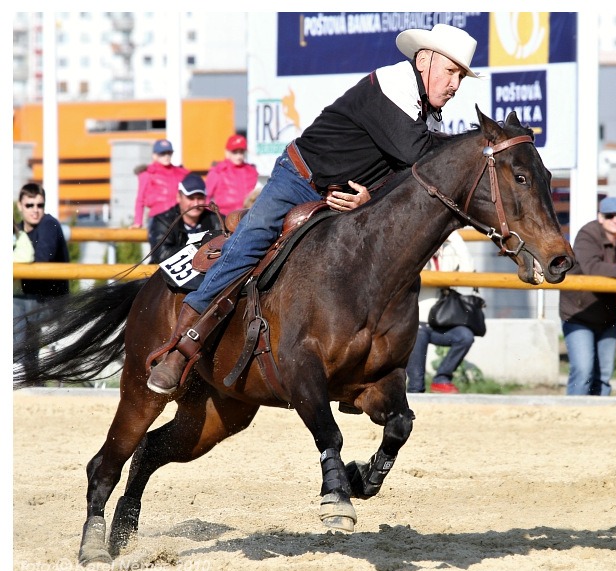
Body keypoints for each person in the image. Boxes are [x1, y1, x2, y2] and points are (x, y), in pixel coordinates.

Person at [147, 23, 480, 394]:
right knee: (247, 244)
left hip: (341, 199)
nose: (455, 85)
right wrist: (477, 146)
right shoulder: (394, 85)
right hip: (300, 180)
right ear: (423, 60)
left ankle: (361, 374)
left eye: (461, 78)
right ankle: (180, 349)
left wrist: (370, 197)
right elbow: (416, 158)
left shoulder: (426, 113)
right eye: (451, 72)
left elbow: (403, 173)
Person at [559, 197, 616, 396]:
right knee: (583, 371)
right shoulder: (588, 234)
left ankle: (599, 421)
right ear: (600, 218)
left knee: (603, 377)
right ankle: (570, 417)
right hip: (578, 314)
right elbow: (591, 267)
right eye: (610, 216)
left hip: (608, 317)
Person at [406, 231, 478, 394]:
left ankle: (442, 378)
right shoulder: (417, 246)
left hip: (441, 321)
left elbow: (468, 270)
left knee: (465, 336)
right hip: (416, 325)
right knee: (416, 386)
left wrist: (455, 237)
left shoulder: (449, 248)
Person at [13, 183, 70, 380]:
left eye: (39, 205)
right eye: (30, 205)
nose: (35, 210)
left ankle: (16, 365)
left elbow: (42, 259)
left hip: (52, 302)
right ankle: (28, 376)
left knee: (13, 306)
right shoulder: (19, 231)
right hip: (32, 300)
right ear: (20, 205)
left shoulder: (49, 224)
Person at [147, 173, 222, 264]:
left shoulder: (217, 220)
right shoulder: (163, 220)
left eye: (200, 198)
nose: (196, 204)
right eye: (191, 198)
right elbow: (161, 255)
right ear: (179, 197)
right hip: (167, 276)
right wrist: (198, 251)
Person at [131, 139, 189, 228]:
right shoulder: (147, 173)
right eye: (162, 154)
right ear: (154, 155)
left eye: (169, 153)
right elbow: (140, 199)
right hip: (158, 218)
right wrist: (138, 222)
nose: (166, 156)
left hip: (178, 217)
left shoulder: (180, 173)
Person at [205, 134, 260, 216]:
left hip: (249, 217)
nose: (239, 156)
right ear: (227, 152)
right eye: (235, 152)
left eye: (241, 152)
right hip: (224, 218)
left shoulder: (252, 171)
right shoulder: (218, 171)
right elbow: (206, 198)